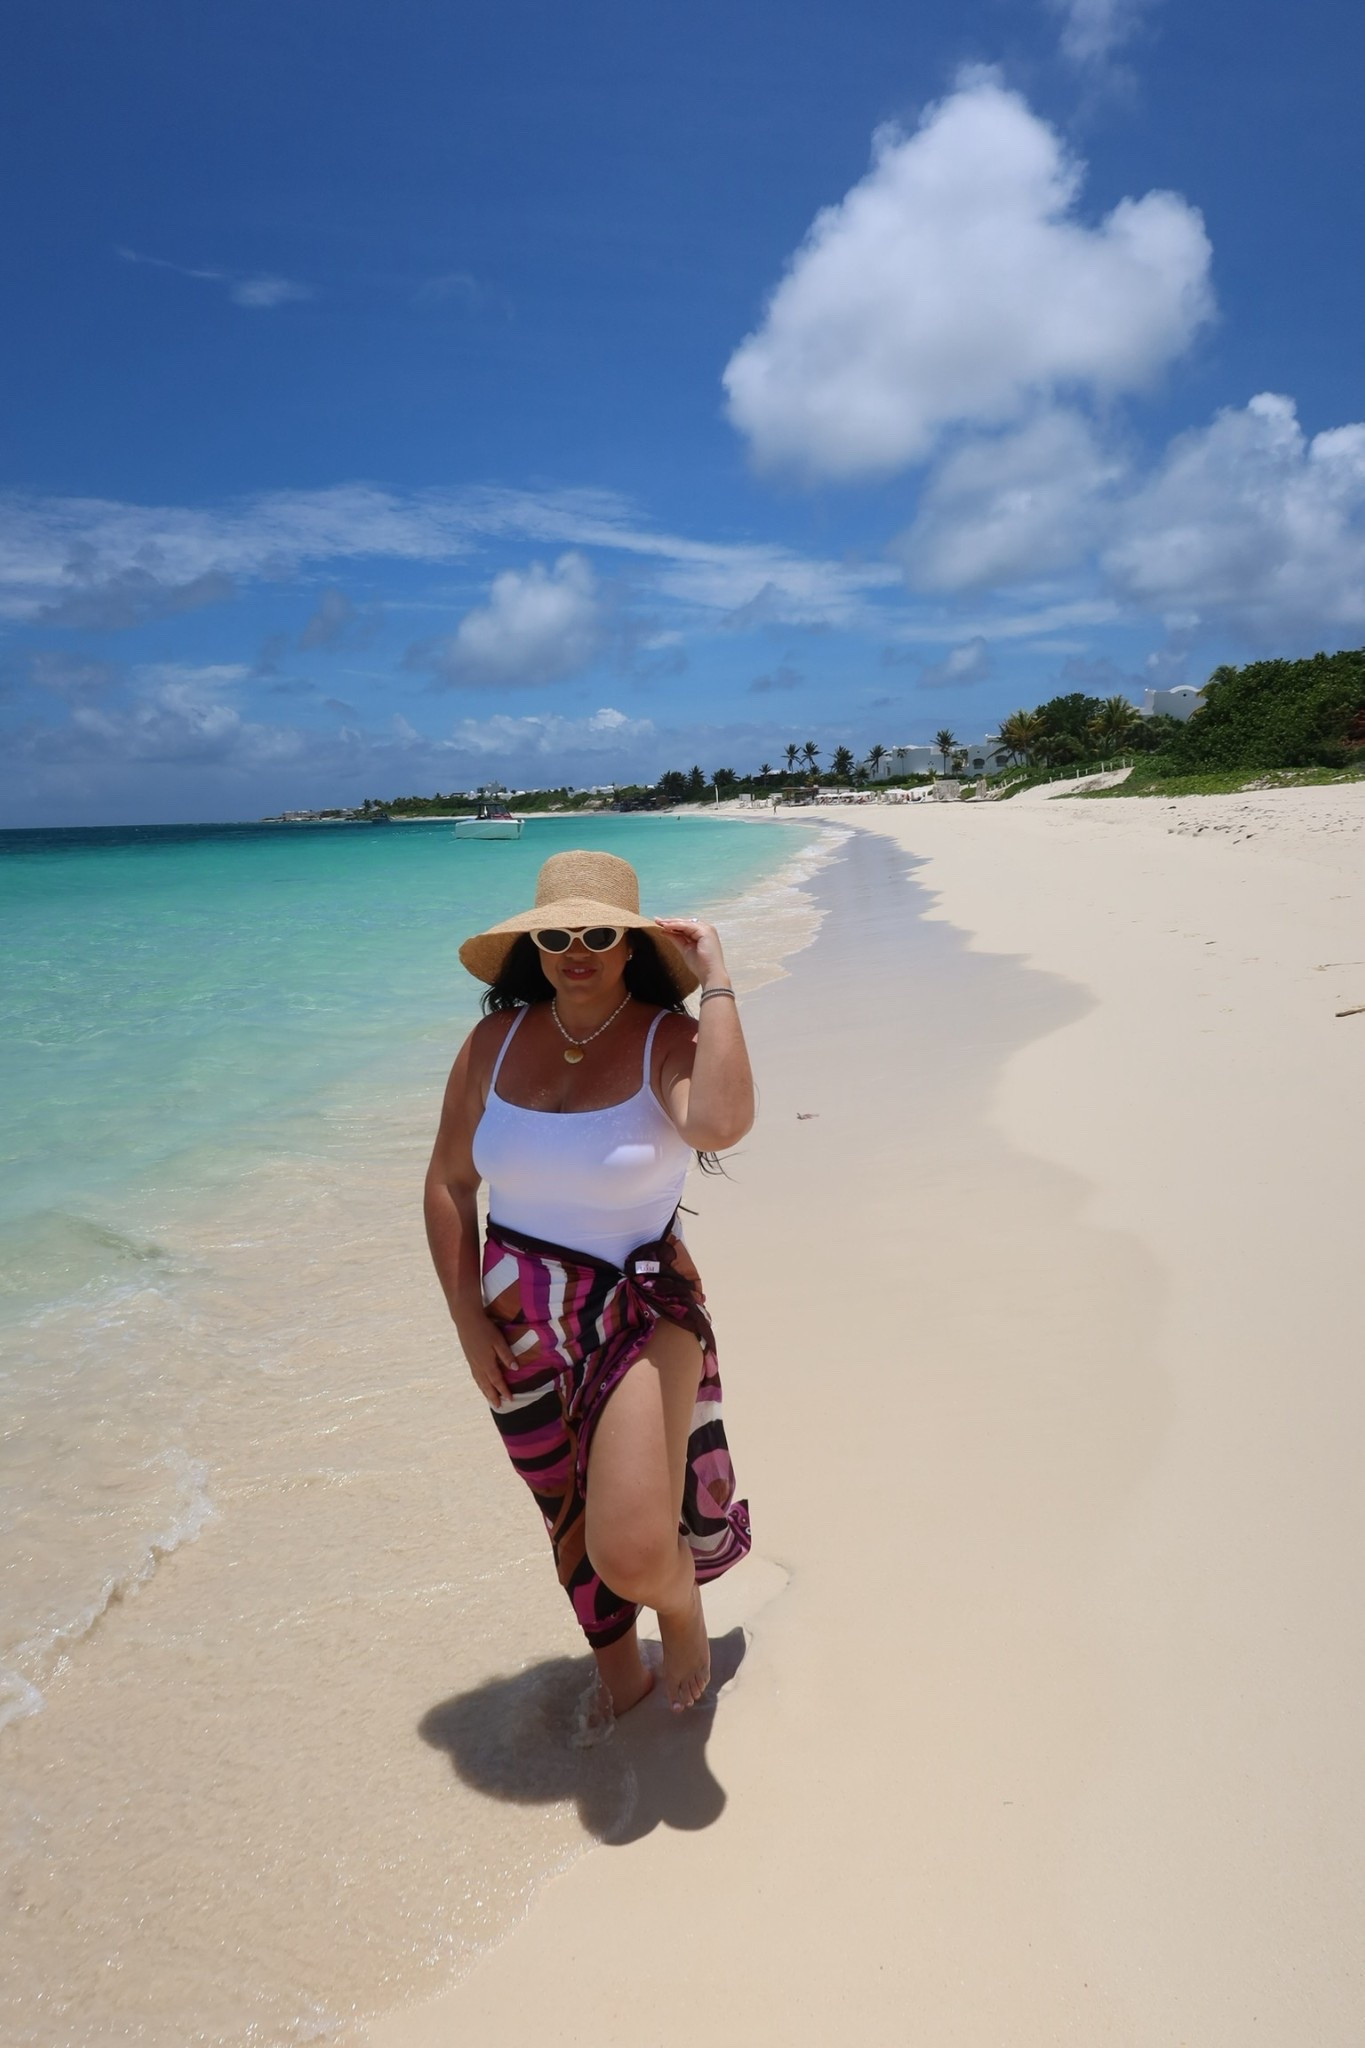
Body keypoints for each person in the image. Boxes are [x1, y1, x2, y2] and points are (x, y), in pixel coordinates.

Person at [424, 849, 755, 1715]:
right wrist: (466, 1321)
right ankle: (617, 1673)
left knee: (634, 1550)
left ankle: (679, 1605)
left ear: (631, 944)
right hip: (516, 1318)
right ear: (532, 947)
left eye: (600, 933)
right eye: (556, 934)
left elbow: (721, 1122)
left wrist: (714, 977)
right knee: (564, 1508)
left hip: (638, 1310)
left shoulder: (664, 1037)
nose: (578, 949)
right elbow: (449, 1183)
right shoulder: (492, 1042)